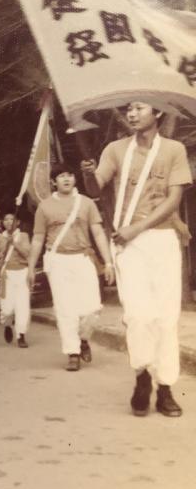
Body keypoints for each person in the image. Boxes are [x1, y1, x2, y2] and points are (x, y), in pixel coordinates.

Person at [82, 101, 192, 417]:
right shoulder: (116, 149)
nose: (131, 114)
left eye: (140, 108)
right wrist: (87, 174)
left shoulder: (173, 150)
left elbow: (174, 199)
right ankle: (142, 376)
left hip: (161, 238)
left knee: (166, 317)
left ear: (157, 112)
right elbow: (95, 187)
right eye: (128, 109)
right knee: (139, 314)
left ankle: (167, 388)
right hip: (129, 245)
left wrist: (138, 227)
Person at [27, 163, 114, 372]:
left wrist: (108, 261)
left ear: (75, 179)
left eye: (70, 175)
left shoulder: (86, 203)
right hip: (57, 261)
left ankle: (83, 339)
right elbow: (38, 239)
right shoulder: (45, 207)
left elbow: (99, 233)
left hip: (83, 259)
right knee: (65, 309)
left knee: (92, 308)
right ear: (54, 181)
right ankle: (72, 353)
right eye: (61, 176)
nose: (66, 179)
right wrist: (31, 267)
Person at [0, 212, 31, 348]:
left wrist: (13, 243)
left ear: (17, 222)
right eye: (6, 220)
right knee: (7, 308)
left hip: (22, 272)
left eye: (12, 219)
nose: (9, 222)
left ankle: (21, 335)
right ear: (3, 222)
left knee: (22, 305)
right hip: (6, 273)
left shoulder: (23, 236)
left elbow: (27, 253)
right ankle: (7, 325)